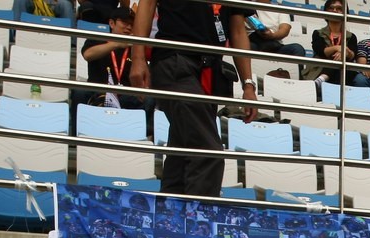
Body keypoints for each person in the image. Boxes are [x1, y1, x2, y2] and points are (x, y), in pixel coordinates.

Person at [130, 0, 257, 197]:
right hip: (174, 59)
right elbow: (147, 4)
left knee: (182, 150)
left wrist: (248, 84)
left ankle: (170, 214)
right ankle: (201, 220)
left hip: (210, 70)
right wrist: (137, 57)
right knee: (208, 152)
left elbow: (238, 31)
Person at [81, 7, 150, 110]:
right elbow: (88, 54)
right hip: (99, 92)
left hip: (127, 96)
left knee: (149, 99)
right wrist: (117, 44)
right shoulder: (98, 38)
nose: (129, 27)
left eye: (132, 24)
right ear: (112, 23)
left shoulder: (136, 49)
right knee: (78, 92)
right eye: (125, 22)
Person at [311, 0, 357, 85]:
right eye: (331, 8)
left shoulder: (351, 36)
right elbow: (321, 51)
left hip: (343, 73)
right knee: (338, 61)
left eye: (339, 8)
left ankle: (322, 79)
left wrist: (345, 52)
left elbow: (353, 55)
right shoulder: (317, 33)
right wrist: (338, 48)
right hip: (320, 69)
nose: (335, 11)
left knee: (347, 64)